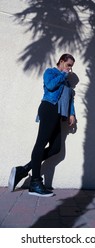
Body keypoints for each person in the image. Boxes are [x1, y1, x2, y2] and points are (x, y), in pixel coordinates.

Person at [8, 53, 76, 197]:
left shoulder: (67, 82)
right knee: (40, 144)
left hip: (58, 115)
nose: (70, 69)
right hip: (49, 108)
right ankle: (35, 182)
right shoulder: (51, 72)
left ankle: (23, 170)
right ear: (62, 61)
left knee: (56, 148)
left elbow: (70, 99)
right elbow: (50, 86)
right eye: (69, 65)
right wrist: (63, 75)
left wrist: (72, 114)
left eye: (71, 66)